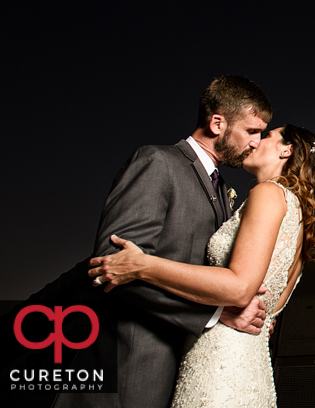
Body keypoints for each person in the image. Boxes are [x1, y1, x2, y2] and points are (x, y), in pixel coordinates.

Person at [52, 75, 275, 408]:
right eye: (252, 131)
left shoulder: (222, 189)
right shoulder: (158, 162)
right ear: (217, 123)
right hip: (134, 364)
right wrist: (215, 314)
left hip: (186, 366)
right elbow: (113, 264)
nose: (257, 142)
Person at [88, 124, 315, 408]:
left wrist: (142, 265)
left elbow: (240, 288)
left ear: (286, 150)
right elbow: (266, 307)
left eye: (266, 136)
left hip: (220, 360)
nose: (255, 143)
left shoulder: (268, 194)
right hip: (252, 368)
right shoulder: (299, 216)